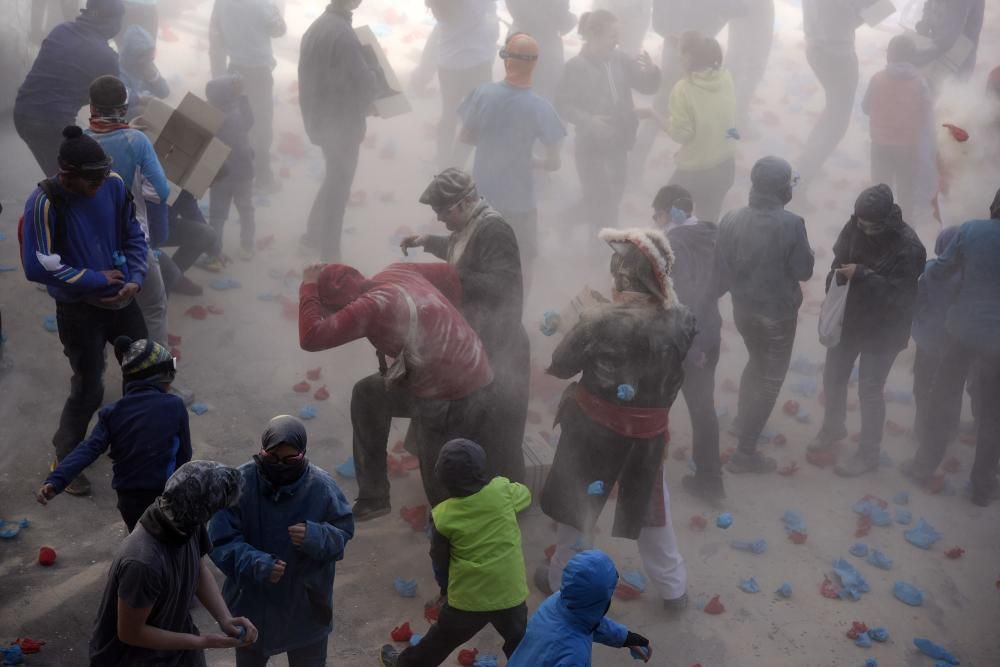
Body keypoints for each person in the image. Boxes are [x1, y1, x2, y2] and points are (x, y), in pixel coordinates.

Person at [537, 227, 694, 613]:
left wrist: (578, 320)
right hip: (649, 434)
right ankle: (674, 589)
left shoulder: (599, 320)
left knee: (578, 510)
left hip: (595, 432)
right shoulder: (684, 318)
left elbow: (560, 365)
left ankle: (560, 583)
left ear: (625, 276)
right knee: (653, 511)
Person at [298, 261, 494, 517]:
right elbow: (449, 274)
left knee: (437, 467)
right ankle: (374, 496)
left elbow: (312, 337)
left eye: (327, 309)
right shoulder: (395, 271)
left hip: (451, 386)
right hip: (470, 363)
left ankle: (453, 530)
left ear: (339, 303)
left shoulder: (371, 305)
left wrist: (309, 286)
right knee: (368, 393)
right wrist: (445, 325)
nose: (327, 315)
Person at [21, 126, 148, 497]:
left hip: (124, 299)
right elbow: (38, 265)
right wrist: (94, 279)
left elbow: (134, 233)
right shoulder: (44, 201)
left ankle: (131, 444)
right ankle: (65, 457)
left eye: (103, 176)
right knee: (89, 385)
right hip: (79, 309)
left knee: (143, 372)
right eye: (91, 181)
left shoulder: (112, 184)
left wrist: (135, 278)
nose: (100, 186)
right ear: (67, 175)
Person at [406, 169, 529, 484]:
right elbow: (461, 247)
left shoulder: (495, 230)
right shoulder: (473, 225)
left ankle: (495, 497)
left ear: (465, 202)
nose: (441, 220)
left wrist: (443, 278)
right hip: (473, 337)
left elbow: (501, 284)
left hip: (498, 344)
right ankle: (457, 483)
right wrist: (428, 242)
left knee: (492, 429)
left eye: (444, 212)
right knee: (461, 420)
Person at [210, 415, 355, 666]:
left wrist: (316, 536)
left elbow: (343, 532)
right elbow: (220, 540)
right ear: (262, 450)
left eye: (290, 460)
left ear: (303, 454)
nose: (280, 465)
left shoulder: (320, 486)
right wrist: (255, 563)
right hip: (253, 605)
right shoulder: (240, 483)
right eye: (272, 458)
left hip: (307, 608)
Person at [807, 185, 926, 477]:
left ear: (885, 219)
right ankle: (833, 428)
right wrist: (832, 294)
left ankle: (868, 453)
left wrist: (862, 274)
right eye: (860, 222)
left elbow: (901, 297)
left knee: (870, 390)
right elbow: (838, 260)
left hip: (884, 329)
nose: (862, 228)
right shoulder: (855, 224)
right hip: (850, 320)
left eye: (869, 225)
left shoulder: (909, 247)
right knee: (833, 376)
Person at [379, 439, 530, 666]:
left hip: (469, 600)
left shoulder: (443, 516)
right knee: (522, 645)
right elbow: (525, 495)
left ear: (442, 479)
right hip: (511, 593)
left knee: (440, 640)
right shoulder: (503, 490)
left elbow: (440, 560)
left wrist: (444, 589)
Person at [89, 461, 257, 664]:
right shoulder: (142, 563)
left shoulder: (185, 518)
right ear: (202, 511)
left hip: (178, 644)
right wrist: (202, 641)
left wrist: (225, 618)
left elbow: (199, 569)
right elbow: (131, 633)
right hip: (133, 658)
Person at [715, 156, 814, 474]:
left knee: (755, 362)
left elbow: (722, 266)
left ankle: (742, 423)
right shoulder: (792, 224)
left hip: (743, 309)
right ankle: (745, 452)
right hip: (777, 315)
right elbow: (803, 270)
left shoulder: (730, 218)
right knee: (770, 379)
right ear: (783, 189)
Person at [904, 189, 1000, 506]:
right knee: (993, 416)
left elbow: (941, 270)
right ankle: (982, 488)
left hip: (962, 330)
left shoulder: (971, 230)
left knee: (943, 398)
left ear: (993, 206)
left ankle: (923, 466)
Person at [36, 337, 187, 530]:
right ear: (161, 377)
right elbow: (184, 454)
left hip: (129, 502)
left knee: (141, 543)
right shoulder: (175, 406)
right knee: (183, 543)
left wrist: (56, 481)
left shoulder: (112, 413)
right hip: (166, 494)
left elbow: (88, 450)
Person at [457, 33, 566, 285]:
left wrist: (493, 143)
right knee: (522, 260)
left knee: (475, 257)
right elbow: (554, 162)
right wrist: (531, 160)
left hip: (481, 197)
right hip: (520, 202)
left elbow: (465, 136)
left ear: (506, 61)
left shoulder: (481, 94)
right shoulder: (540, 107)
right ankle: (514, 315)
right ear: (535, 65)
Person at [557, 10, 661, 236]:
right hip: (590, 145)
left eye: (619, 35)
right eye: (612, 35)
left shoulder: (622, 59)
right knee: (600, 200)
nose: (618, 41)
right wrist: (589, 120)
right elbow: (563, 105)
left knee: (613, 194)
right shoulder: (576, 66)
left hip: (620, 139)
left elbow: (647, 87)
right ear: (594, 35)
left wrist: (652, 72)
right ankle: (599, 251)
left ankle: (568, 219)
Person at [85, 75, 171, 346]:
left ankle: (93, 383)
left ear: (92, 108)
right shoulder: (137, 141)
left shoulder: (80, 143)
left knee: (97, 317)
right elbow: (161, 192)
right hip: (132, 243)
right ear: (124, 107)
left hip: (88, 248)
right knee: (153, 309)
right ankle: (156, 381)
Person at [652, 184, 724, 501]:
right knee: (703, 409)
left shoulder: (671, 246)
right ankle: (710, 479)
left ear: (667, 213)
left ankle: (644, 475)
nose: (654, 221)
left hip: (681, 342)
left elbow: (675, 300)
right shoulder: (713, 236)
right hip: (709, 333)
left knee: (653, 407)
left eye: (656, 215)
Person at [298, 0, 378, 262]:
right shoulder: (343, 34)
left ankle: (312, 233)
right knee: (339, 187)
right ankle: (330, 253)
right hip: (341, 123)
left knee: (334, 177)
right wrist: (376, 80)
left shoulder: (318, 26)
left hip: (319, 119)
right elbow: (362, 80)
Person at [14, 0, 125, 176]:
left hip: (22, 114)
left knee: (61, 178)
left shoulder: (61, 30)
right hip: (54, 123)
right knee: (79, 183)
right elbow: (111, 108)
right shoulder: (106, 57)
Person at [641, 31, 735, 223]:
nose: (677, 56)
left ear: (689, 56)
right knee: (707, 225)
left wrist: (653, 115)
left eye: (680, 52)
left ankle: (668, 250)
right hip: (725, 165)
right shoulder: (725, 76)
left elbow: (681, 135)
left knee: (663, 213)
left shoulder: (683, 90)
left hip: (696, 171)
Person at [508, 550, 652, 666]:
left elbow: (587, 620)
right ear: (601, 601)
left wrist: (627, 638)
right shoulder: (574, 655)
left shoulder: (557, 601)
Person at [797, 0, 878, 195]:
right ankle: (801, 179)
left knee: (832, 112)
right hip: (837, 55)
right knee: (836, 123)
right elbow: (848, 19)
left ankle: (806, 165)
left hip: (816, 47)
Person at [209, 0, 286, 192]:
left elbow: (216, 37)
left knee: (239, 124)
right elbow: (279, 30)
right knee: (261, 126)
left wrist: (217, 77)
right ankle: (263, 176)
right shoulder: (261, 3)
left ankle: (239, 174)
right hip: (259, 73)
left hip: (234, 69)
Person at [861, 35, 936, 222]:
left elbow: (865, 107)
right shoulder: (920, 82)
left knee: (879, 190)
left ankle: (876, 227)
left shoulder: (877, 79)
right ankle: (905, 227)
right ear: (913, 57)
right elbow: (928, 114)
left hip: (880, 145)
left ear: (889, 56)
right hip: (908, 147)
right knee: (906, 191)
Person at [908, 226, 967, 459]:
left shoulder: (931, 269)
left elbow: (917, 300)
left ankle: (921, 428)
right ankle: (950, 428)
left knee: (923, 386)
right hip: (957, 342)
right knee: (953, 387)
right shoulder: (969, 276)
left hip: (928, 340)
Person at [420, 0, 498, 169]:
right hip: (477, 63)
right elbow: (492, 22)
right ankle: (456, 164)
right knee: (474, 118)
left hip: (448, 64)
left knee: (449, 113)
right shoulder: (477, 5)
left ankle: (442, 161)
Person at [206, 75, 257, 262]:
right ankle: (247, 246)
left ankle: (214, 252)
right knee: (246, 210)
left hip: (220, 175)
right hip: (243, 174)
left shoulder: (212, 118)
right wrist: (242, 97)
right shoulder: (237, 117)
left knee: (217, 215)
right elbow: (250, 122)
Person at [504, 0, 577, 101]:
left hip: (519, 39)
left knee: (516, 86)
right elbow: (563, 20)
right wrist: (573, 19)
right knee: (544, 93)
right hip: (546, 46)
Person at [912, 0, 985, 83]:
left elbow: (948, 39)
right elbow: (929, 4)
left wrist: (917, 58)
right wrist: (925, 21)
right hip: (939, 52)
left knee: (948, 91)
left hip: (957, 59)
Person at [118, 25, 170, 121]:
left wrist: (155, 78)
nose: (149, 61)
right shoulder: (119, 72)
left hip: (149, 114)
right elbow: (117, 110)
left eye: (151, 57)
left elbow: (164, 93)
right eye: (145, 57)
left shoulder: (148, 66)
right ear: (133, 55)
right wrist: (139, 110)